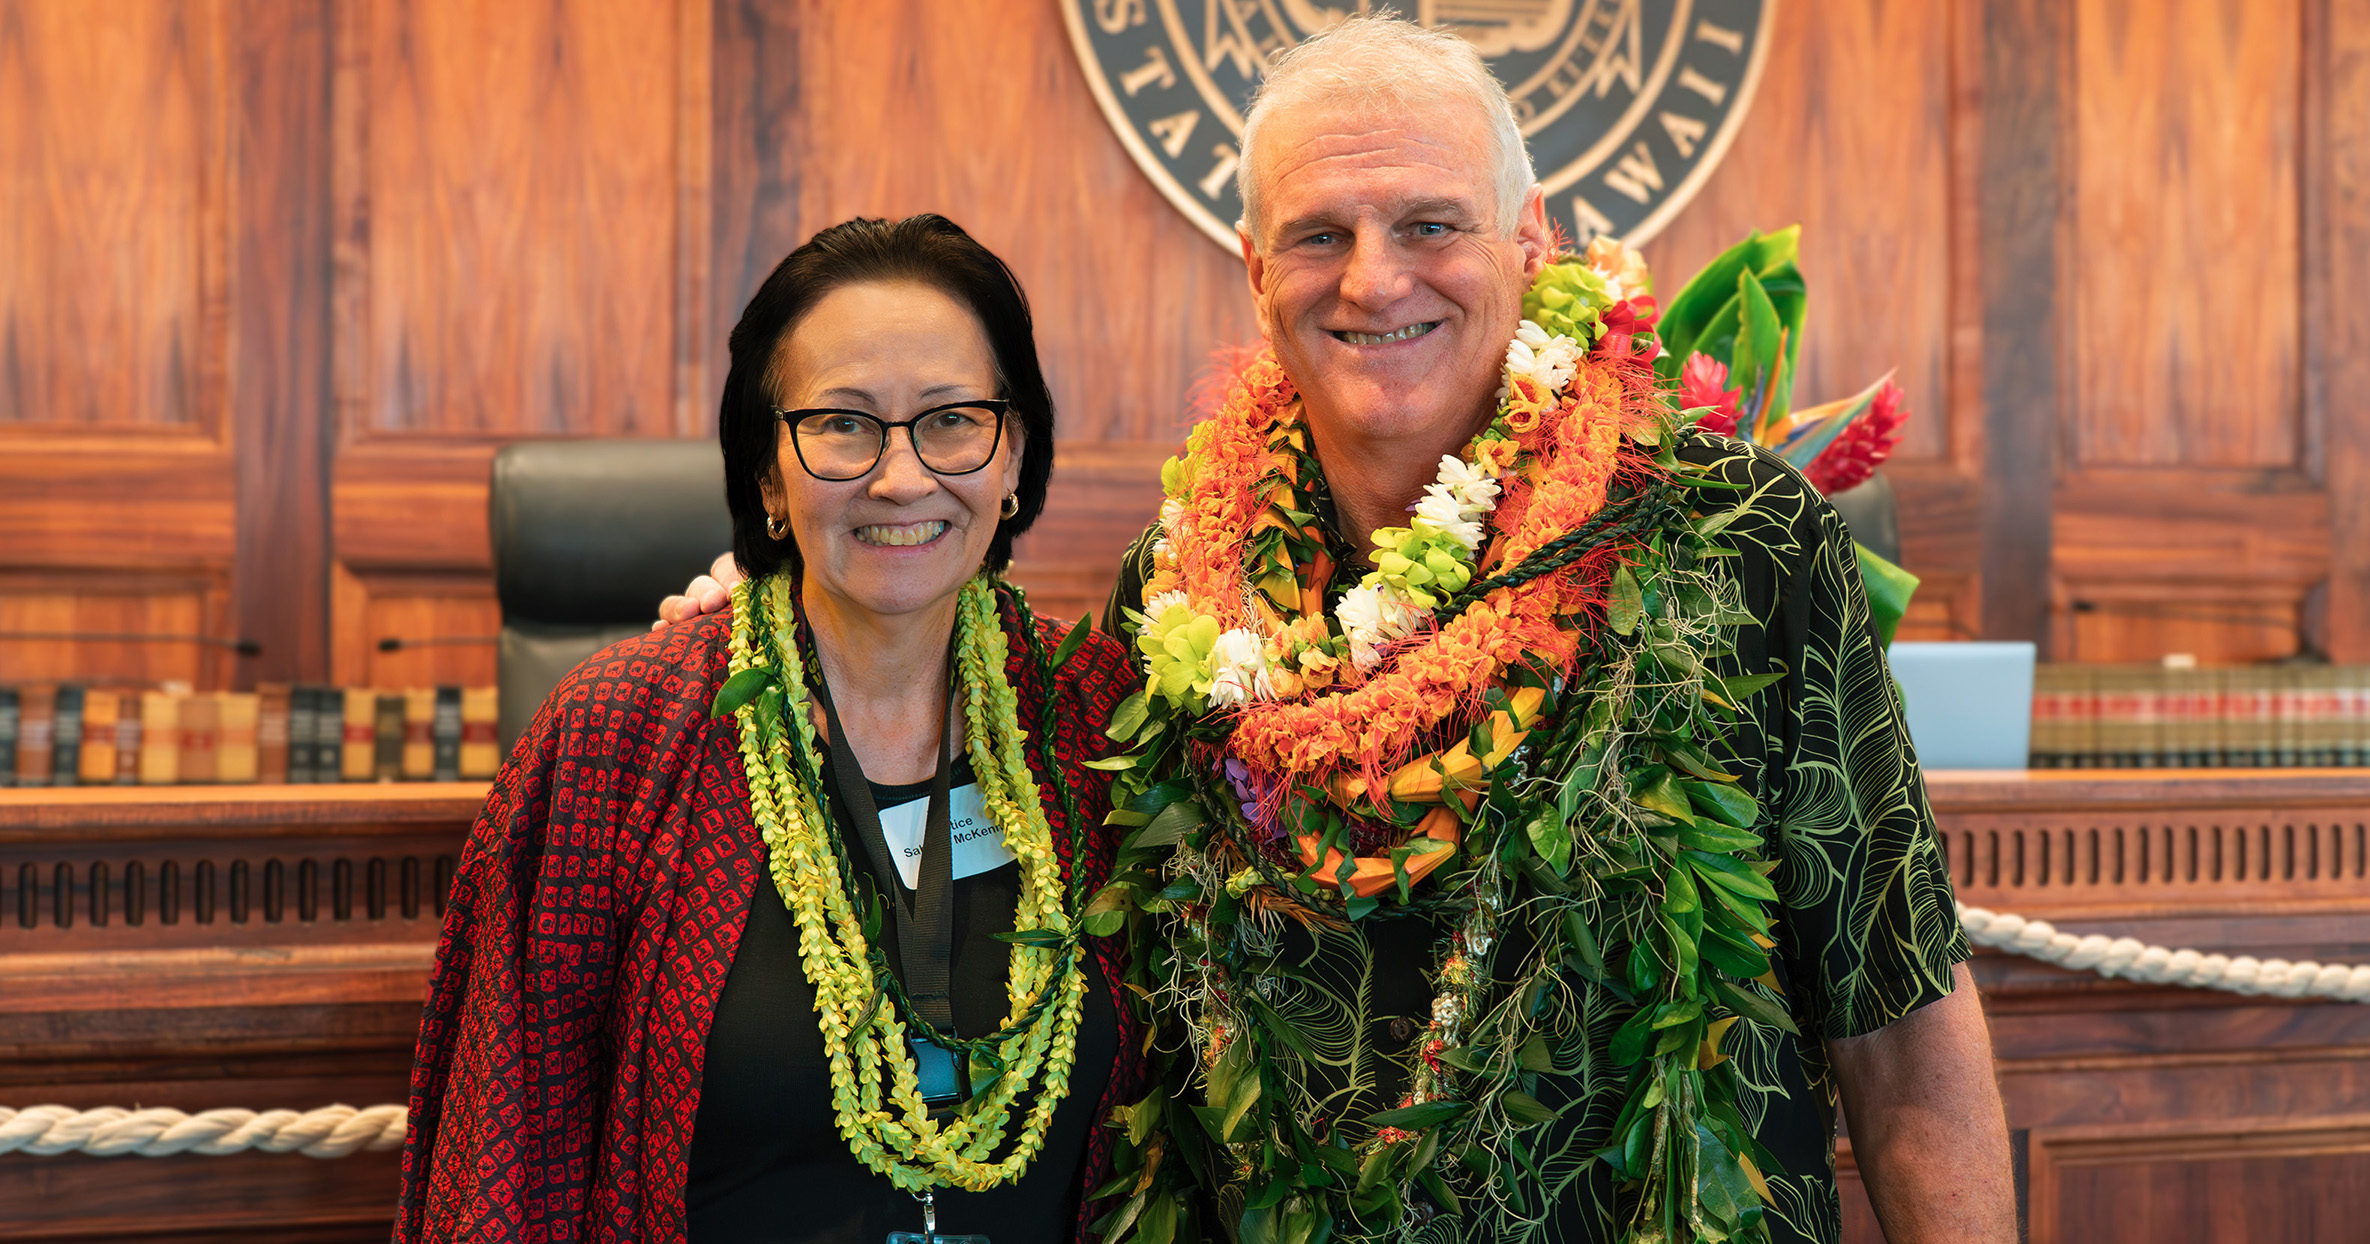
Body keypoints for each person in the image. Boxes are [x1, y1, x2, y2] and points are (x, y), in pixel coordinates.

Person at [661, 19, 2015, 1244]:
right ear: (1255, 270)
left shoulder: (1736, 544)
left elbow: (1898, 1026)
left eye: (1431, 224)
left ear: (1529, 241)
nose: (1374, 282)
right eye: (1320, 235)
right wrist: (779, 623)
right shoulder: (1179, 602)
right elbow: (982, 696)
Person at [399, 214, 1142, 1244]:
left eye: (951, 419)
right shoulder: (618, 742)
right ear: (766, 475)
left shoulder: (1096, 715)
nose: (901, 476)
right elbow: (504, 1159)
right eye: (842, 423)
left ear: (1013, 453)